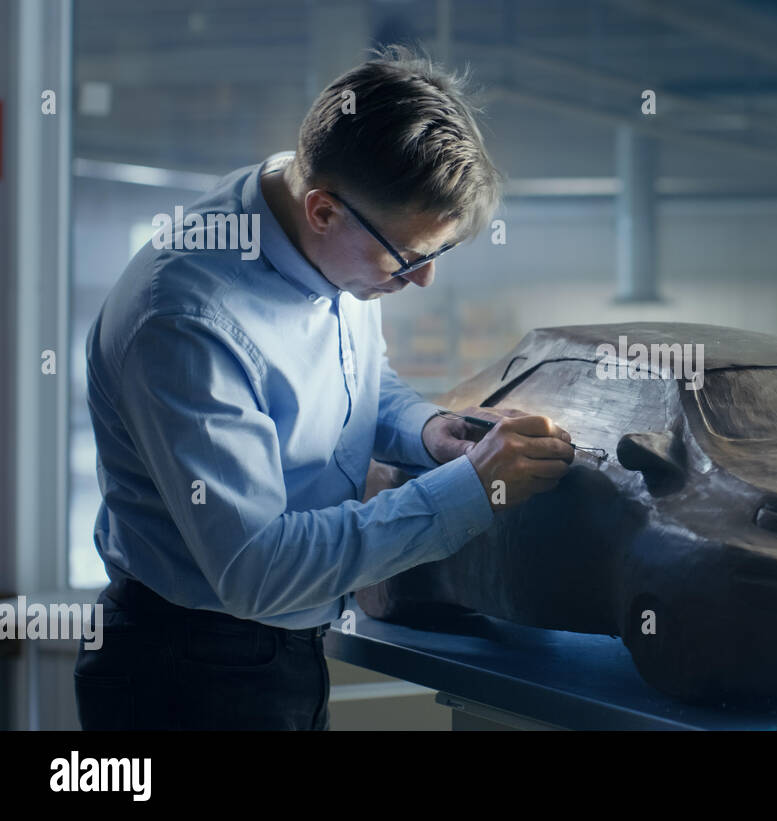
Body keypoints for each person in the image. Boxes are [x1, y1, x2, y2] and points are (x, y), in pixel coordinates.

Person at [73, 46, 574, 730]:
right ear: (322, 211)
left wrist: (426, 430)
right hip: (188, 675)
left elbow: (354, 378)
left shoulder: (324, 224)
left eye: (438, 254)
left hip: (278, 649)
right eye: (409, 257)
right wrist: (471, 489)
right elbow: (259, 568)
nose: (421, 280)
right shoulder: (186, 322)